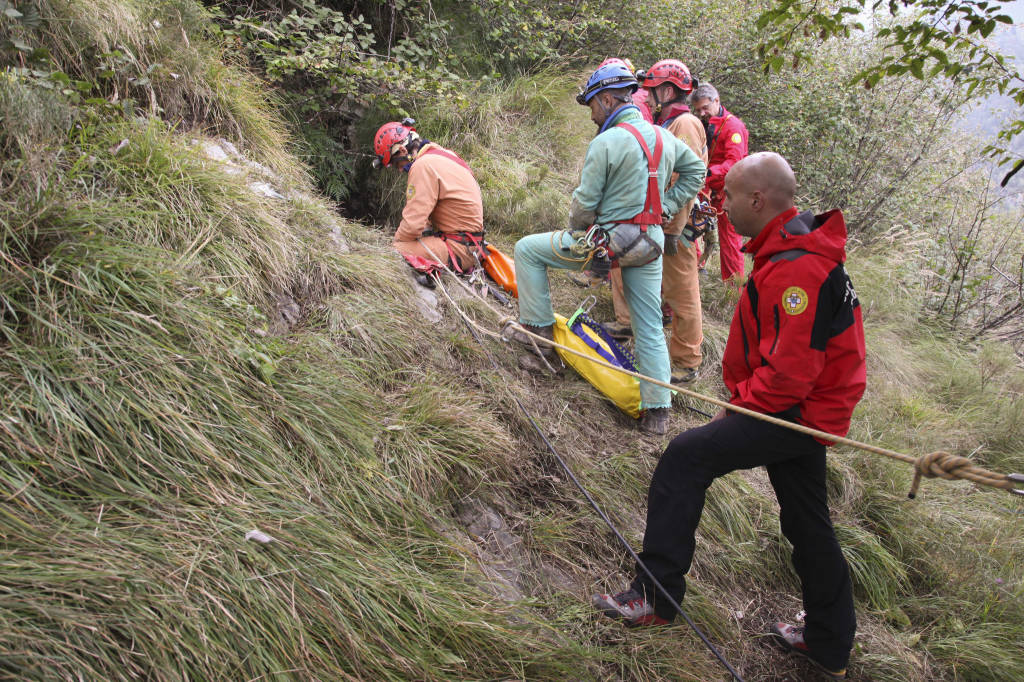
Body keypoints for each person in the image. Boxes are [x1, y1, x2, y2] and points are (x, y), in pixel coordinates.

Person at [592, 152, 866, 680]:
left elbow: (791, 373)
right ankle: (829, 642)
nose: (722, 206)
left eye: (731, 197)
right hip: (805, 410)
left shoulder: (799, 268)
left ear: (758, 200)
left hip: (795, 411)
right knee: (807, 521)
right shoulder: (791, 251)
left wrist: (739, 410)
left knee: (685, 456)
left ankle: (654, 596)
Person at [505, 62, 706, 435]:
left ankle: (539, 340)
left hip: (607, 243)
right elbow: (696, 171)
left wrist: (578, 234)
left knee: (527, 250)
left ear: (609, 98)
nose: (592, 112)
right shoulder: (664, 137)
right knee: (648, 325)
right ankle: (658, 414)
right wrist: (665, 205)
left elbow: (584, 204)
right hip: (650, 243)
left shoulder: (606, 141)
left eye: (593, 104)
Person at [605, 59, 708, 384]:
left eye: (650, 91)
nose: (646, 98)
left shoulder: (686, 125)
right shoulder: (669, 124)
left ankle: (686, 361)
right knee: (623, 267)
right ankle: (627, 323)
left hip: (678, 226)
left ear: (666, 90)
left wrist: (673, 229)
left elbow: (686, 179)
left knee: (682, 294)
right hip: (657, 221)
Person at [372, 119, 485, 274]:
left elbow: (413, 224)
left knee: (394, 251)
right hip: (471, 244)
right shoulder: (443, 154)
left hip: (459, 249)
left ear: (402, 151)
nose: (399, 170)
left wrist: (397, 241)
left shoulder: (422, 166)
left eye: (396, 164)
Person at [690, 83, 749, 284]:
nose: (702, 113)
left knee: (730, 241)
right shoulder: (703, 123)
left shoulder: (733, 127)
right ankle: (695, 266)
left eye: (705, 108)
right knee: (686, 225)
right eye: (698, 110)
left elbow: (734, 164)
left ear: (717, 101)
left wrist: (707, 173)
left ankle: (733, 288)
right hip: (706, 189)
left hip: (728, 192)